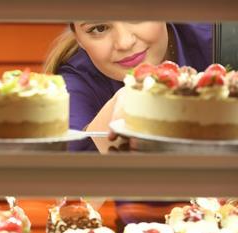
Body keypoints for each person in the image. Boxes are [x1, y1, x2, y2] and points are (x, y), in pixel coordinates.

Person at [44, 22, 213, 152]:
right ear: (78, 38)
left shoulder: (218, 41)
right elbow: (71, 173)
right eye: (100, 28)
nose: (124, 43)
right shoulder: (76, 80)